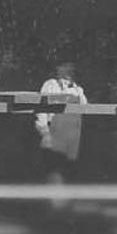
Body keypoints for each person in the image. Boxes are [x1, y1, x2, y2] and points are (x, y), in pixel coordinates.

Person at [35, 56, 88, 187]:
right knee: (54, 173)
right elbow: (41, 110)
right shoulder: (50, 84)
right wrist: (45, 133)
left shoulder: (77, 88)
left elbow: (84, 106)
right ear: (58, 69)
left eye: (71, 66)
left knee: (69, 173)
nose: (69, 69)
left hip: (71, 137)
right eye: (65, 66)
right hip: (54, 135)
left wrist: (74, 90)